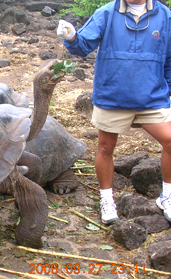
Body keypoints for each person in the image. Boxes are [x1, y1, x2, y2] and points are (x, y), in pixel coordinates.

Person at [56, 0, 171, 224]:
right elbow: (82, 45)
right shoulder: (106, 13)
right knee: (105, 147)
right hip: (112, 95)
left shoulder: (165, 16)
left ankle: (167, 195)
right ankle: (107, 199)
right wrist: (70, 36)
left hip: (152, 96)